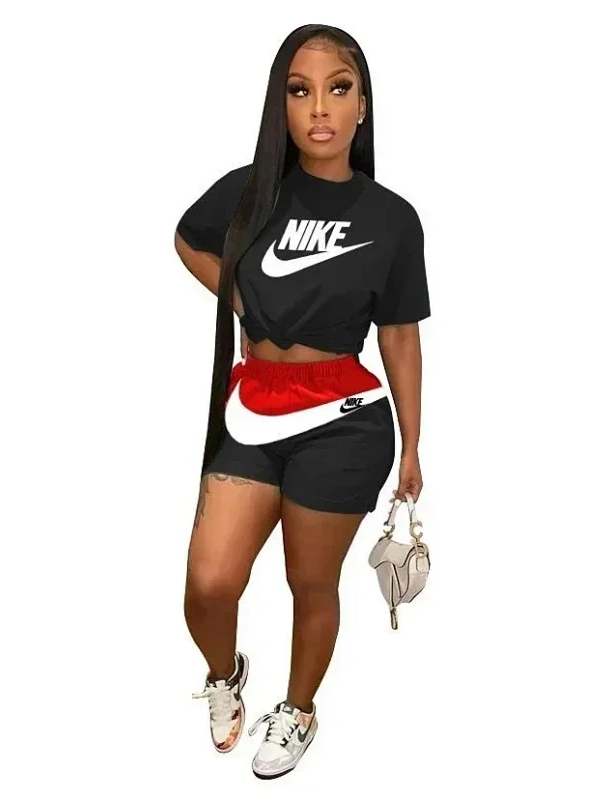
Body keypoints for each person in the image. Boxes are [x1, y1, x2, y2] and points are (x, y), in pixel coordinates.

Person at [174, 24, 430, 779]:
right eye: (300, 90)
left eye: (338, 88)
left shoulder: (393, 218)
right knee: (210, 582)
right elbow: (188, 238)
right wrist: (239, 300)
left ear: (362, 105)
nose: (319, 107)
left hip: (343, 418)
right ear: (280, 104)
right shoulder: (252, 190)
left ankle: (299, 709)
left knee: (309, 582)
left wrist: (413, 447)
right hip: (254, 403)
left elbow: (401, 337)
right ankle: (225, 674)